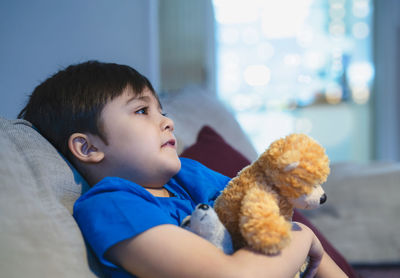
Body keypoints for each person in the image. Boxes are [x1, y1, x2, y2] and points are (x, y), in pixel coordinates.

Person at [18, 60, 347, 278]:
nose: (167, 121)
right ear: (88, 147)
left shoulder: (187, 176)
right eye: (142, 111)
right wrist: (305, 239)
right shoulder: (112, 206)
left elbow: (267, 217)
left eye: (161, 109)